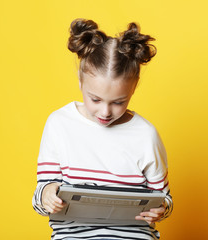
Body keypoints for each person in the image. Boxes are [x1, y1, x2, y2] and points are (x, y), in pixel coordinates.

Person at [32, 18, 173, 240]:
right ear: (80, 82)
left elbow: (163, 199)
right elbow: (41, 194)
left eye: (118, 102)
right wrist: (48, 195)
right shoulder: (59, 124)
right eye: (95, 99)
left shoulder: (146, 135)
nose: (105, 112)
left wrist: (160, 209)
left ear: (133, 87)